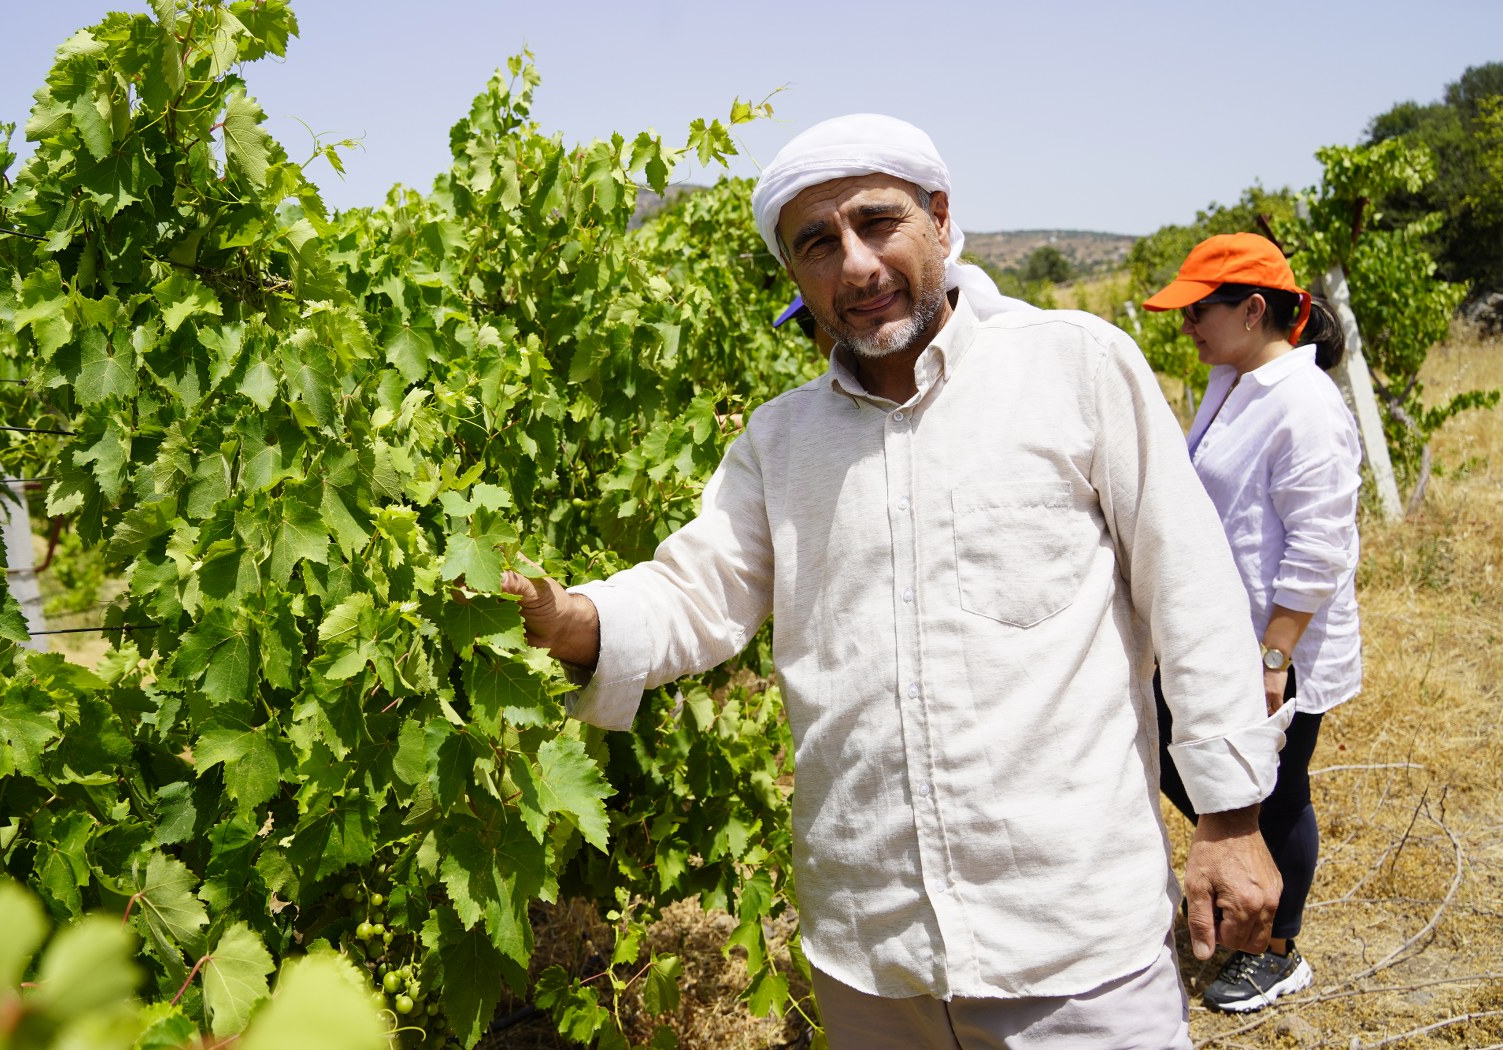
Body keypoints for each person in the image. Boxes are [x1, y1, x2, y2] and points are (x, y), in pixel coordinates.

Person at [503, 114, 1290, 1049]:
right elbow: (693, 593)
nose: (856, 266)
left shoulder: (1073, 368)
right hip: (869, 958)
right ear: (793, 276)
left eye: (877, 224)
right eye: (815, 245)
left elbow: (1192, 593)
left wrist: (1230, 818)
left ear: (941, 221)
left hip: (1071, 947)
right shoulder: (779, 442)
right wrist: (571, 619)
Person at [1142, 233, 1362, 1013]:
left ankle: (1277, 948)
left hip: (1277, 645)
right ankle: (1241, 889)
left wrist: (1275, 658)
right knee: (1202, 773)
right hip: (1224, 637)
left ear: (1253, 308)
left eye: (1197, 310)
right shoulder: (1233, 382)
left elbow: (1318, 547)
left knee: (1276, 792)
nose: (1186, 327)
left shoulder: (1304, 406)